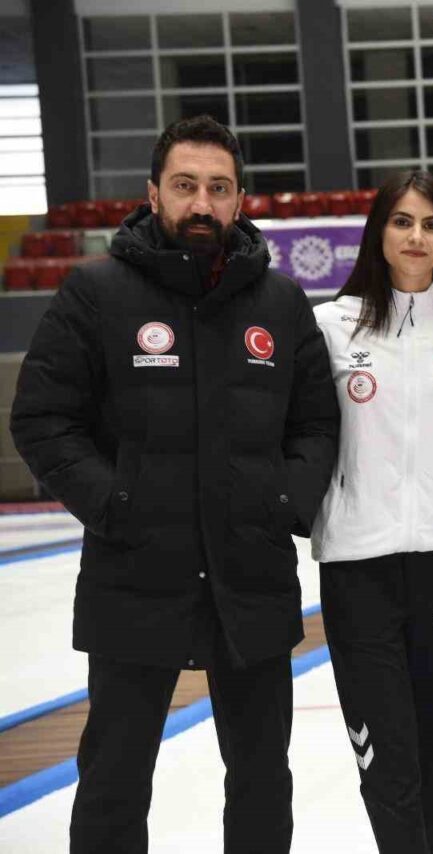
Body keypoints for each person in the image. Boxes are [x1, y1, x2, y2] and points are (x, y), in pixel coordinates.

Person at [8, 115, 339, 852]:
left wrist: (283, 501)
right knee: (115, 779)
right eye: (186, 185)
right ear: (153, 193)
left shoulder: (281, 304)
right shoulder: (95, 293)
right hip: (134, 578)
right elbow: (42, 418)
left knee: (261, 778)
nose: (202, 203)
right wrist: (115, 503)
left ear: (240, 200)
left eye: (218, 188)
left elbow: (317, 423)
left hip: (250, 579)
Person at [309, 170, 433, 853]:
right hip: (358, 564)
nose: (417, 237)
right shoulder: (330, 325)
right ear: (378, 232)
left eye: (432, 225)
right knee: (386, 753)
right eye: (403, 222)